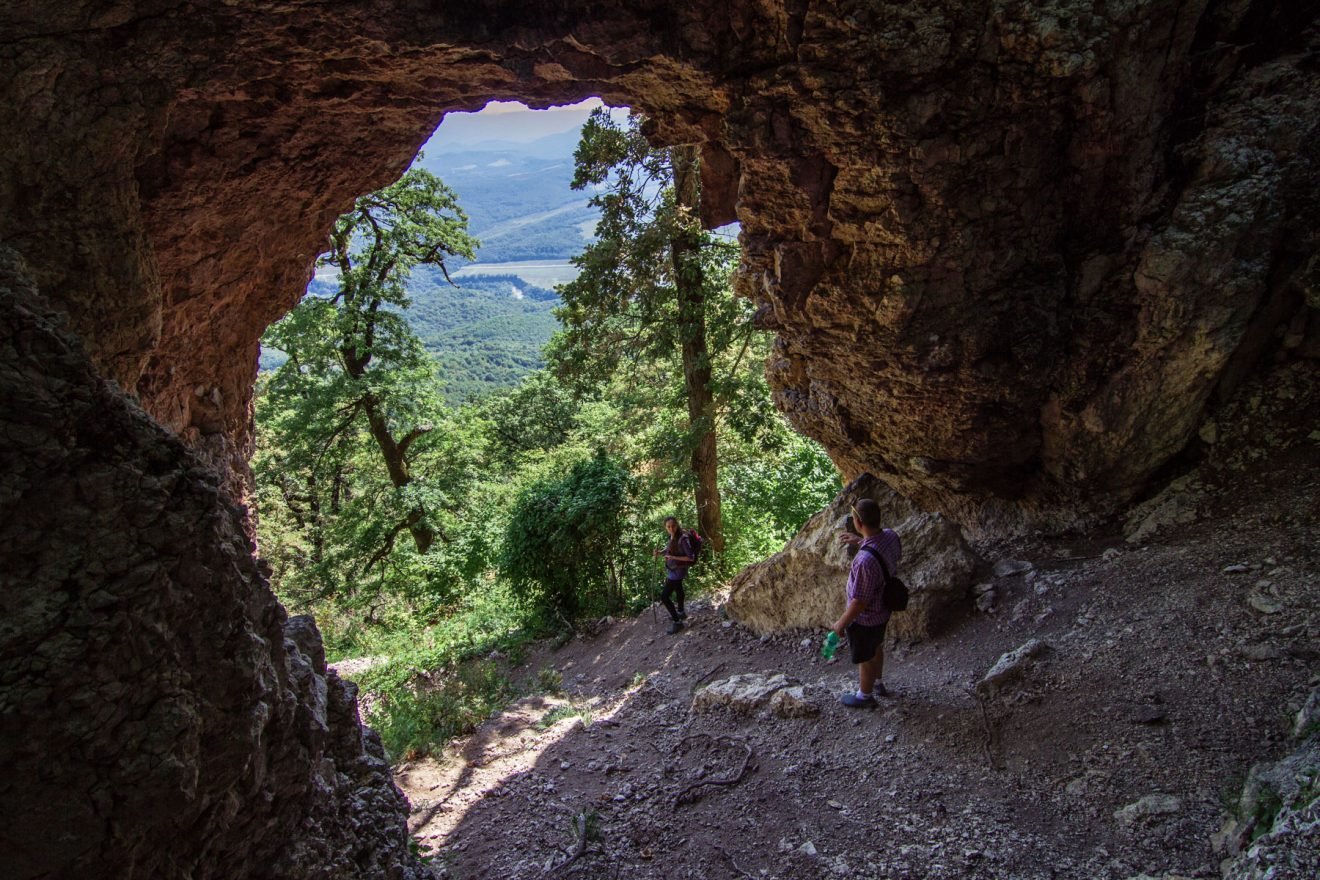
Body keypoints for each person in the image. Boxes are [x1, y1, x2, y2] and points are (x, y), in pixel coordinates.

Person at [833, 497, 902, 708]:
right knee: (876, 646)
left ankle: (865, 696)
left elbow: (859, 602)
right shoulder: (890, 536)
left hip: (867, 617)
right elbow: (880, 546)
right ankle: (878, 682)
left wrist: (840, 624)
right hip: (884, 608)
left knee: (865, 657)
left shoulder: (863, 561)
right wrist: (860, 540)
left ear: (858, 521)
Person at [652, 516, 695, 634]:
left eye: (673, 526)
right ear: (665, 527)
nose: (671, 528)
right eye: (668, 526)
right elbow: (669, 549)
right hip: (673, 569)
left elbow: (691, 557)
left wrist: (673, 557)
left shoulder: (683, 538)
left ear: (677, 525)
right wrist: (660, 552)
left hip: (677, 571)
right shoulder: (672, 537)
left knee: (664, 597)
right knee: (678, 588)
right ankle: (680, 612)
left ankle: (677, 622)